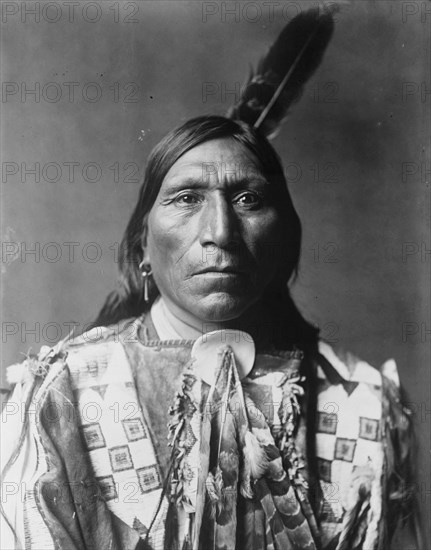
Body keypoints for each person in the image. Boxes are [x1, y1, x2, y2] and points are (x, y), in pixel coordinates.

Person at [1, 115, 421, 550]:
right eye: (186, 198)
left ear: (285, 239)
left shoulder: (362, 405)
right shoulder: (63, 397)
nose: (221, 233)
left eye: (248, 199)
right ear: (142, 245)